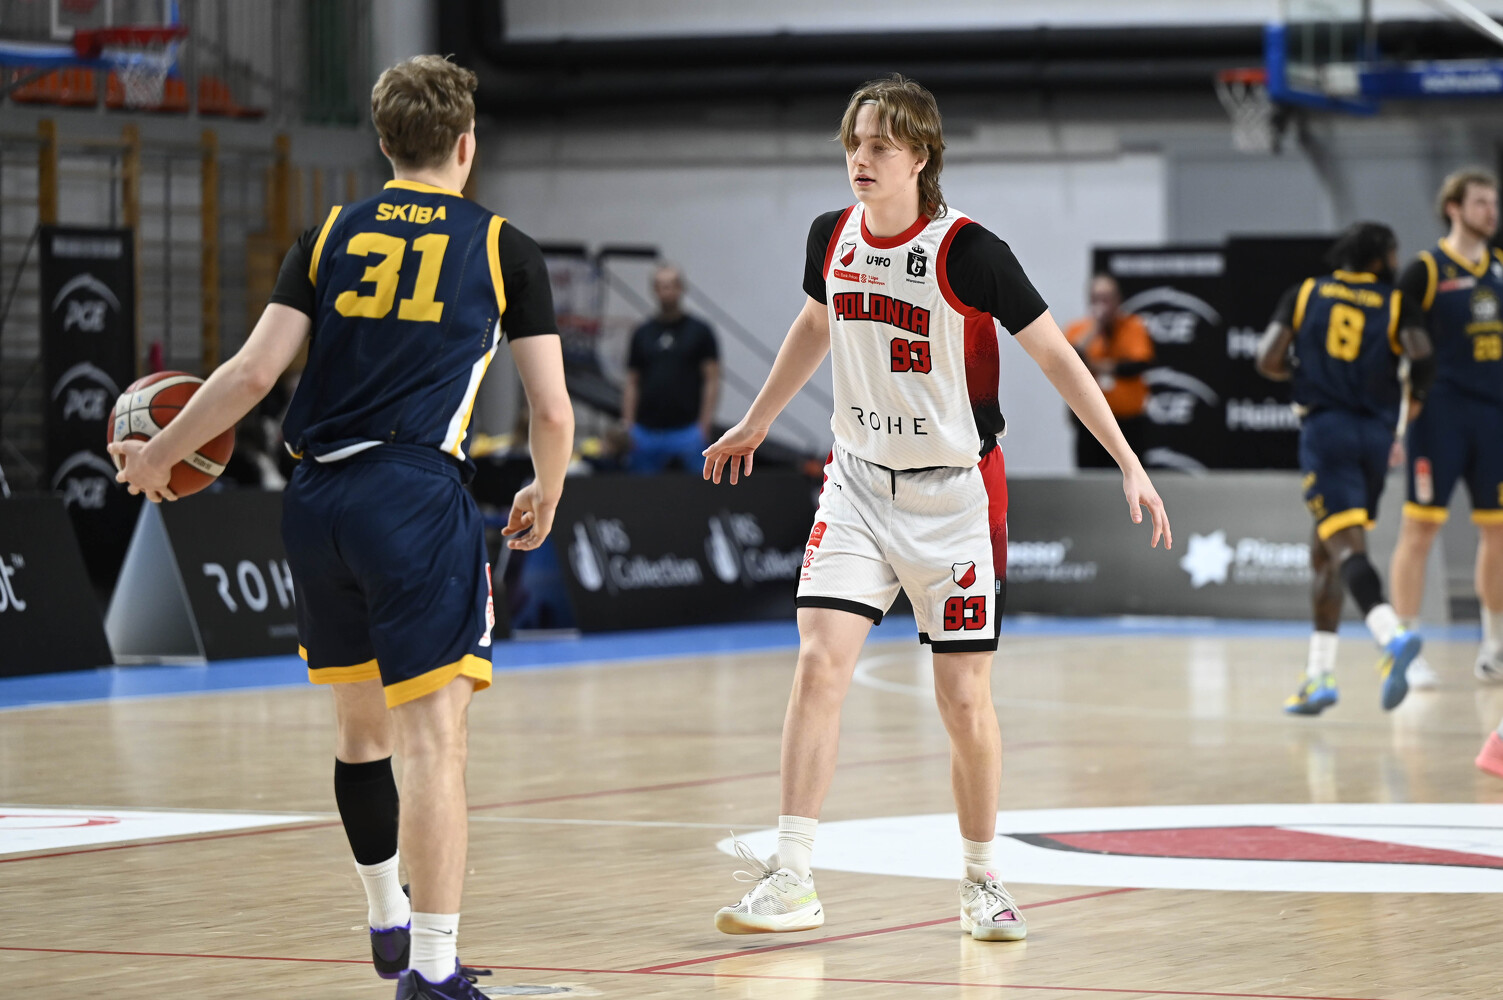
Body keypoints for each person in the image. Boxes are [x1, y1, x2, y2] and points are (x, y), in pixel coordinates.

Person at [110, 55, 574, 1000]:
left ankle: (386, 914)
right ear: (466, 145)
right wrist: (547, 488)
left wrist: (159, 455)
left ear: (383, 143)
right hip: (412, 497)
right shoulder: (504, 247)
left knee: (362, 734)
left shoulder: (327, 233)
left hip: (316, 497)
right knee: (436, 742)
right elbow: (553, 410)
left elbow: (251, 375)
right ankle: (433, 973)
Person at [701, 74, 1170, 943]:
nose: (860, 158)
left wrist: (1127, 461)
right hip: (856, 483)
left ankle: (982, 880)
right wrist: (757, 420)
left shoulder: (969, 251)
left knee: (961, 700)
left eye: (879, 145)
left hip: (954, 496)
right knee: (819, 662)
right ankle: (792, 874)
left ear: (919, 155)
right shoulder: (830, 235)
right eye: (853, 143)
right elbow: (815, 325)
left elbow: (1057, 358)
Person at [1255, 222, 1434, 716]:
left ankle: (1390, 633)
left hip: (1327, 430)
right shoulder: (1396, 302)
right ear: (1378, 257)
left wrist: (1308, 372)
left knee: (1345, 546)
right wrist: (1413, 399)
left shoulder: (1306, 292)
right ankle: (1319, 675)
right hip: (1376, 436)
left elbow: (1267, 358)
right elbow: (1422, 356)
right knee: (1326, 552)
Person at [1389, 168, 1503, 688]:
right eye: (1480, 202)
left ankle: (1494, 648)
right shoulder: (1425, 271)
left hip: (1494, 418)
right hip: (1440, 418)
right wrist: (1398, 417)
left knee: (1497, 532)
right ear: (1453, 208)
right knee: (1420, 530)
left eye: (1494, 202)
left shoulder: (1499, 268)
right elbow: (1398, 347)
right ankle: (1406, 651)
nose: (1491, 212)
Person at [620, 265, 720, 472]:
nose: (667, 291)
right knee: (641, 487)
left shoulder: (700, 331)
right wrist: (629, 424)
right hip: (646, 431)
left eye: (671, 285)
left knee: (700, 484)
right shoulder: (642, 333)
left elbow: (712, 379)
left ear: (681, 288)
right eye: (661, 286)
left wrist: (704, 423)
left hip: (688, 430)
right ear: (654, 290)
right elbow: (632, 381)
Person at [1064, 274, 1156, 468]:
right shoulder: (1078, 330)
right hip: (1090, 422)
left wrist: (1095, 366)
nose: (1102, 305)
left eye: (1106, 299)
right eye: (1096, 299)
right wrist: (1095, 329)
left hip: (1128, 422)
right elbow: (1069, 361)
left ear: (1118, 300)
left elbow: (1136, 365)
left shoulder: (1133, 326)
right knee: (1090, 477)